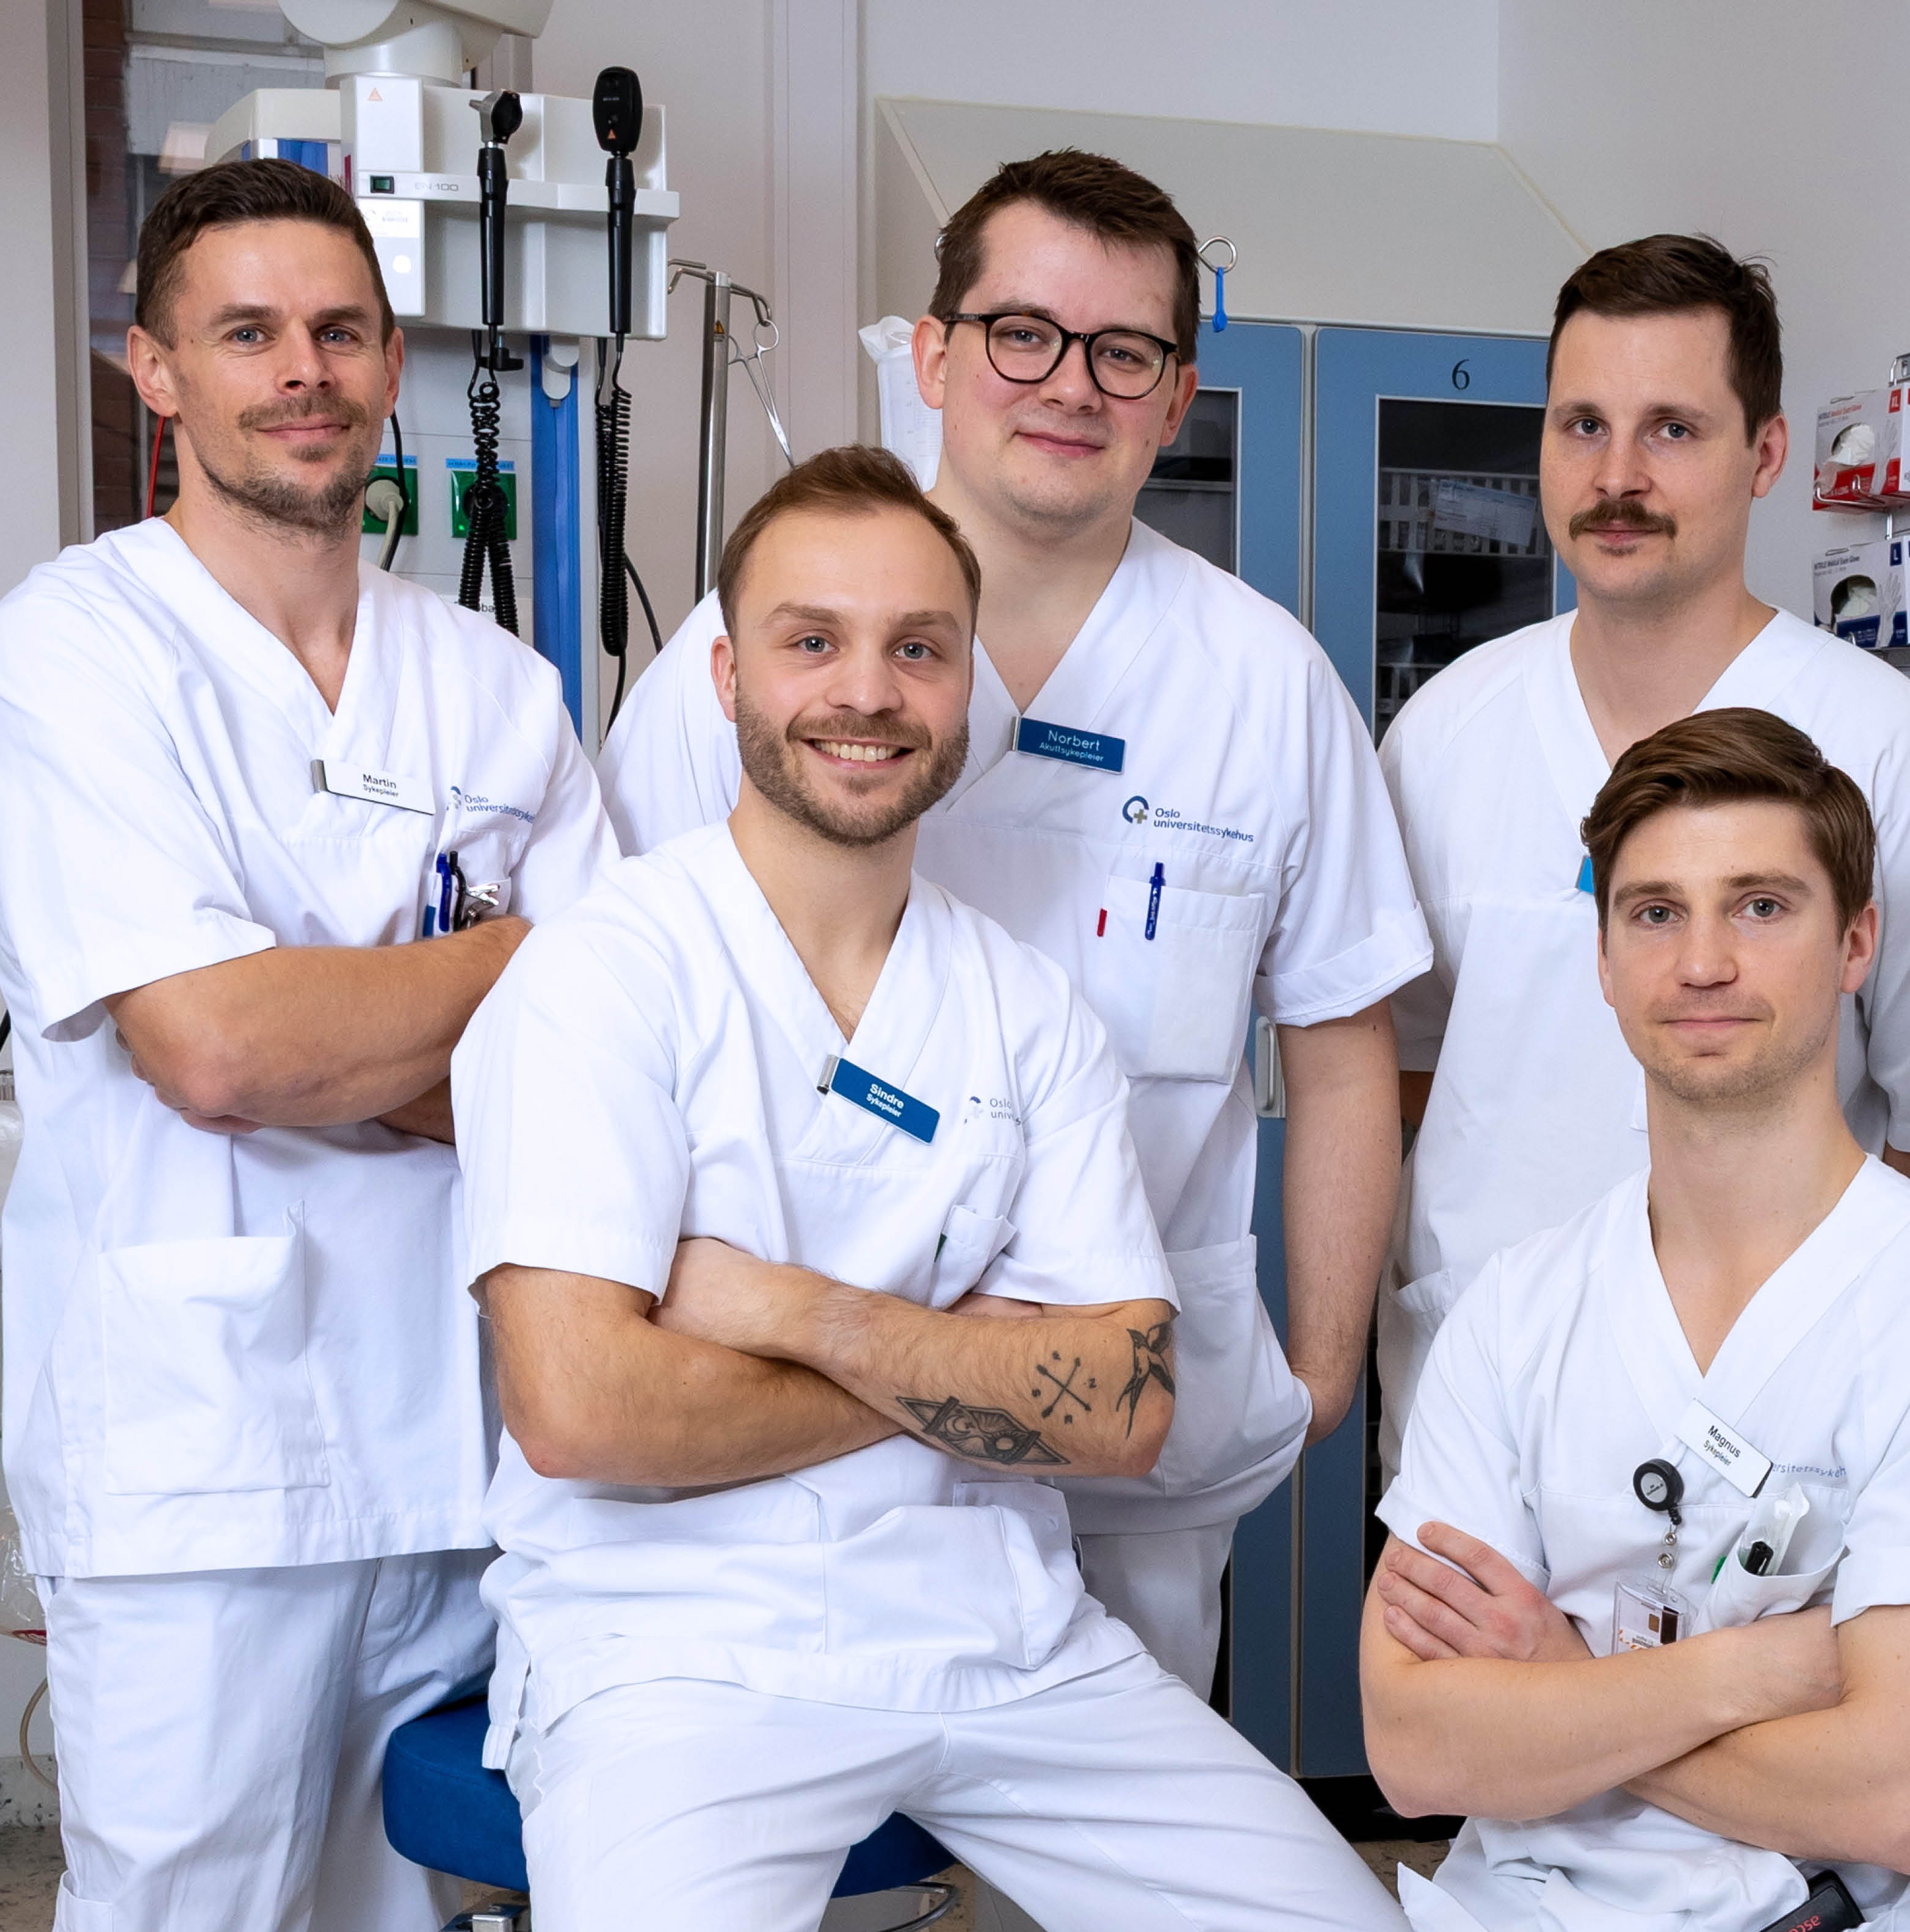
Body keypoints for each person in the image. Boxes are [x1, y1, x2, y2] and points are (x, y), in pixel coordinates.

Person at [454, 445, 1408, 1932]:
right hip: (679, 1654)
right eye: (811, 640)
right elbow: (580, 1406)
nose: (867, 690)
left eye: (917, 646)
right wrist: (973, 1359)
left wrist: (802, 1313)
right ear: (728, 679)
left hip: (1007, 1638)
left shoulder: (1026, 1010)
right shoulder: (601, 976)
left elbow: (1120, 1412)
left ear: (969, 692)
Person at [598, 143, 1419, 1707]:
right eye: (1022, 333)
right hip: (791, 1430)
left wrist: (1318, 1375)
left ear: (1177, 398)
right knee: (814, 1829)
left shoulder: (1265, 685)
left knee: (1113, 1846)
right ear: (933, 354)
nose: (1070, 386)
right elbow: (614, 1012)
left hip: (1136, 1428)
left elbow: (1339, 1039)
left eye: (1125, 352)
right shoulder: (752, 653)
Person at [0, 158, 612, 1932]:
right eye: (246, 333)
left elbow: (612, 1075)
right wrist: (506, 970)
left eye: (338, 330)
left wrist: (354, 1030)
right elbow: (215, 1048)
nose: (300, 370)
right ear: (156, 371)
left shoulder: (498, 690)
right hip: (199, 1463)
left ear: (392, 360)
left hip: (468, 1451)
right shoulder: (75, 649)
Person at [1268, 710, 1910, 1932]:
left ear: (1857, 943)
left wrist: (1567, 1690)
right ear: (1603, 959)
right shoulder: (1517, 1313)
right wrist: (1748, 1671)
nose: (1703, 961)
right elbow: (1418, 1751)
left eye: (1761, 906)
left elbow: (1901, 1799)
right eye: (1655, 913)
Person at [1378, 235, 1910, 1477]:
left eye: (1672, 430)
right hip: (1476, 1411)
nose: (1617, 477)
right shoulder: (1442, 736)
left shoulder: (1888, 750)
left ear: (1765, 454)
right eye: (1582, 426)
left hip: (1773, 1433)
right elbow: (1405, 1073)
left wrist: (1788, 1334)